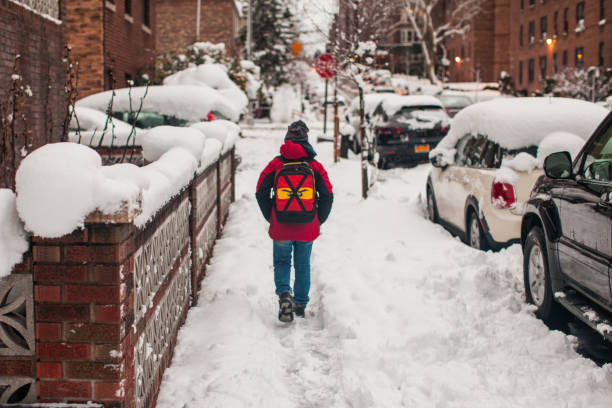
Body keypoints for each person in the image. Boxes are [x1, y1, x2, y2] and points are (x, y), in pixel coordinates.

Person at [255, 120, 333, 322]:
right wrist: (317, 220)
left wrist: (271, 216)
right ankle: (299, 304)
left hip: (281, 224)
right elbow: (328, 195)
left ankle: (284, 295)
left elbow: (260, 191)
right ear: (306, 140)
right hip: (307, 225)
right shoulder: (314, 165)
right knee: (302, 263)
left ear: (286, 139)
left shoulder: (276, 164)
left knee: (281, 261)